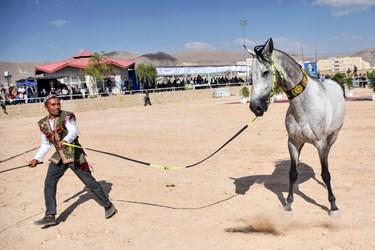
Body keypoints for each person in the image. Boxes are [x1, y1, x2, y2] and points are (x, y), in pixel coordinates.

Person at [28, 94, 116, 227]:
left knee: (89, 182)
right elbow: (45, 144)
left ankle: (108, 206)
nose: (57, 107)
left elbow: (73, 131)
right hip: (59, 156)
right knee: (49, 183)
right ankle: (50, 215)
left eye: (58, 104)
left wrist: (66, 140)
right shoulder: (43, 123)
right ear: (46, 107)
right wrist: (36, 158)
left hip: (74, 154)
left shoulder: (67, 116)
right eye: (53, 104)